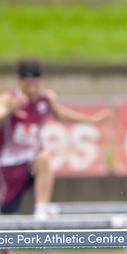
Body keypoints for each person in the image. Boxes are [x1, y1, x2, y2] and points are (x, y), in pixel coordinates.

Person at [0, 59, 111, 218]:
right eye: (27, 85)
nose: (31, 90)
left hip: (31, 163)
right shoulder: (8, 99)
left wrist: (91, 120)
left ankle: (41, 209)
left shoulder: (45, 99)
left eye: (35, 84)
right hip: (8, 166)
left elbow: (62, 114)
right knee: (7, 213)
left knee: (44, 158)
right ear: (20, 82)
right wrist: (11, 109)